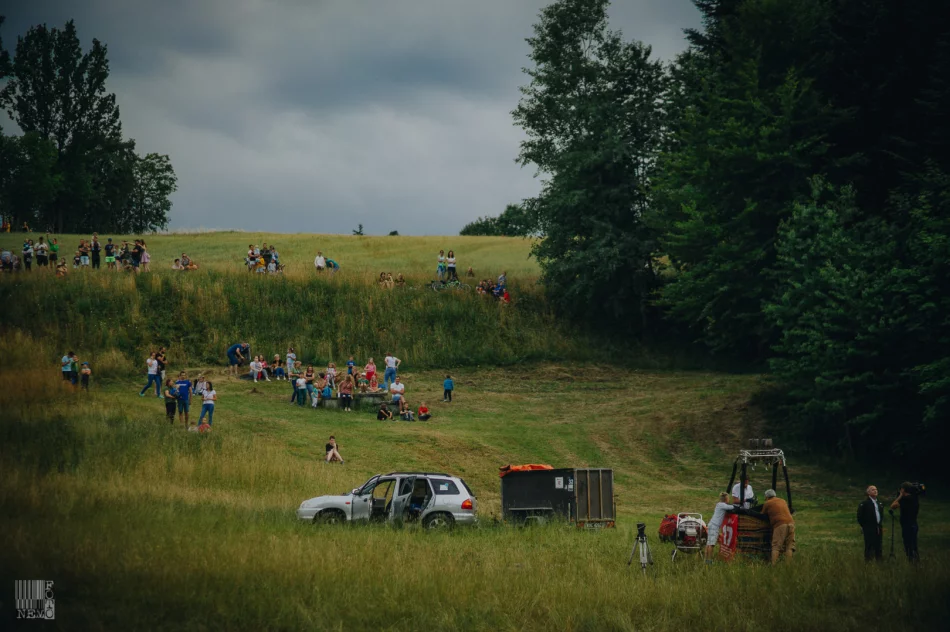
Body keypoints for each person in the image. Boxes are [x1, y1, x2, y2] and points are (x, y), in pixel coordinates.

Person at [761, 489, 795, 564]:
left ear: (766, 497)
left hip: (780, 524)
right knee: (789, 546)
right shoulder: (783, 501)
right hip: (791, 523)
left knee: (776, 546)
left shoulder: (767, 503)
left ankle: (774, 566)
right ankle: (788, 566)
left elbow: (762, 514)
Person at [889, 483, 919, 562]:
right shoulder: (914, 498)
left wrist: (900, 495)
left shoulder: (904, 499)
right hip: (914, 523)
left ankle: (911, 561)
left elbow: (892, 506)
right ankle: (916, 560)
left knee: (908, 544)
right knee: (914, 543)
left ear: (903, 489)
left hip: (907, 525)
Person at [704, 492, 736, 562]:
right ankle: (709, 560)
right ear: (726, 499)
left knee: (708, 543)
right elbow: (732, 507)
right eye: (728, 498)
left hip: (711, 524)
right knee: (711, 544)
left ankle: (706, 559)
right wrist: (738, 506)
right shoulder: (723, 505)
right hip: (714, 526)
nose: (729, 500)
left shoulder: (719, 504)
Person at [857, 485, 885, 561]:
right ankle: (868, 561)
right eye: (873, 490)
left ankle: (879, 561)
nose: (875, 491)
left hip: (878, 527)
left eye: (876, 489)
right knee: (869, 545)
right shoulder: (865, 504)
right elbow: (860, 516)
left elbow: (881, 515)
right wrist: (864, 526)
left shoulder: (879, 504)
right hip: (869, 527)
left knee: (878, 545)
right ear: (868, 492)